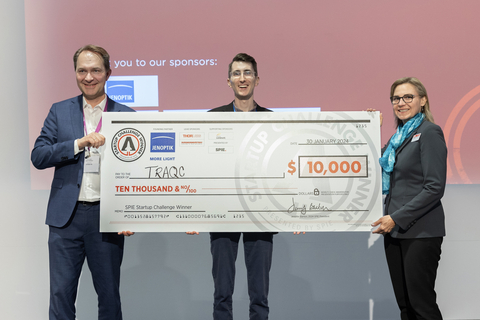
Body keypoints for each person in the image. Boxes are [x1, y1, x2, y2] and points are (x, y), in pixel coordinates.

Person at [31, 44, 135, 320]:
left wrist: (129, 214)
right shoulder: (59, 111)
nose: (88, 77)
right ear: (75, 73)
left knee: (109, 296)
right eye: (82, 71)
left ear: (108, 73)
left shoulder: (127, 116)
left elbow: (138, 172)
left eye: (95, 70)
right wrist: (78, 143)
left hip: (106, 217)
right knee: (61, 295)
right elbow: (39, 156)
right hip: (66, 217)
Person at [187, 53, 274, 320]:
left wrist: (295, 213)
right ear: (228, 81)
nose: (242, 78)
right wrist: (193, 214)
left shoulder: (274, 120)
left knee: (259, 294)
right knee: (222, 292)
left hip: (261, 213)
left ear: (257, 79)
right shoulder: (211, 118)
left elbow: (281, 169)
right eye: (236, 73)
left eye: (247, 73)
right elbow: (199, 167)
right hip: (220, 211)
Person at [371, 77, 447, 320]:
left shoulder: (429, 132)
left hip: (420, 232)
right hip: (394, 233)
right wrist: (370, 127)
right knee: (405, 306)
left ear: (422, 100)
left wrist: (396, 218)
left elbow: (434, 188)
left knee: (421, 305)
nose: (401, 102)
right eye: (396, 98)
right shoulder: (398, 138)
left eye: (408, 97)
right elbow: (371, 163)